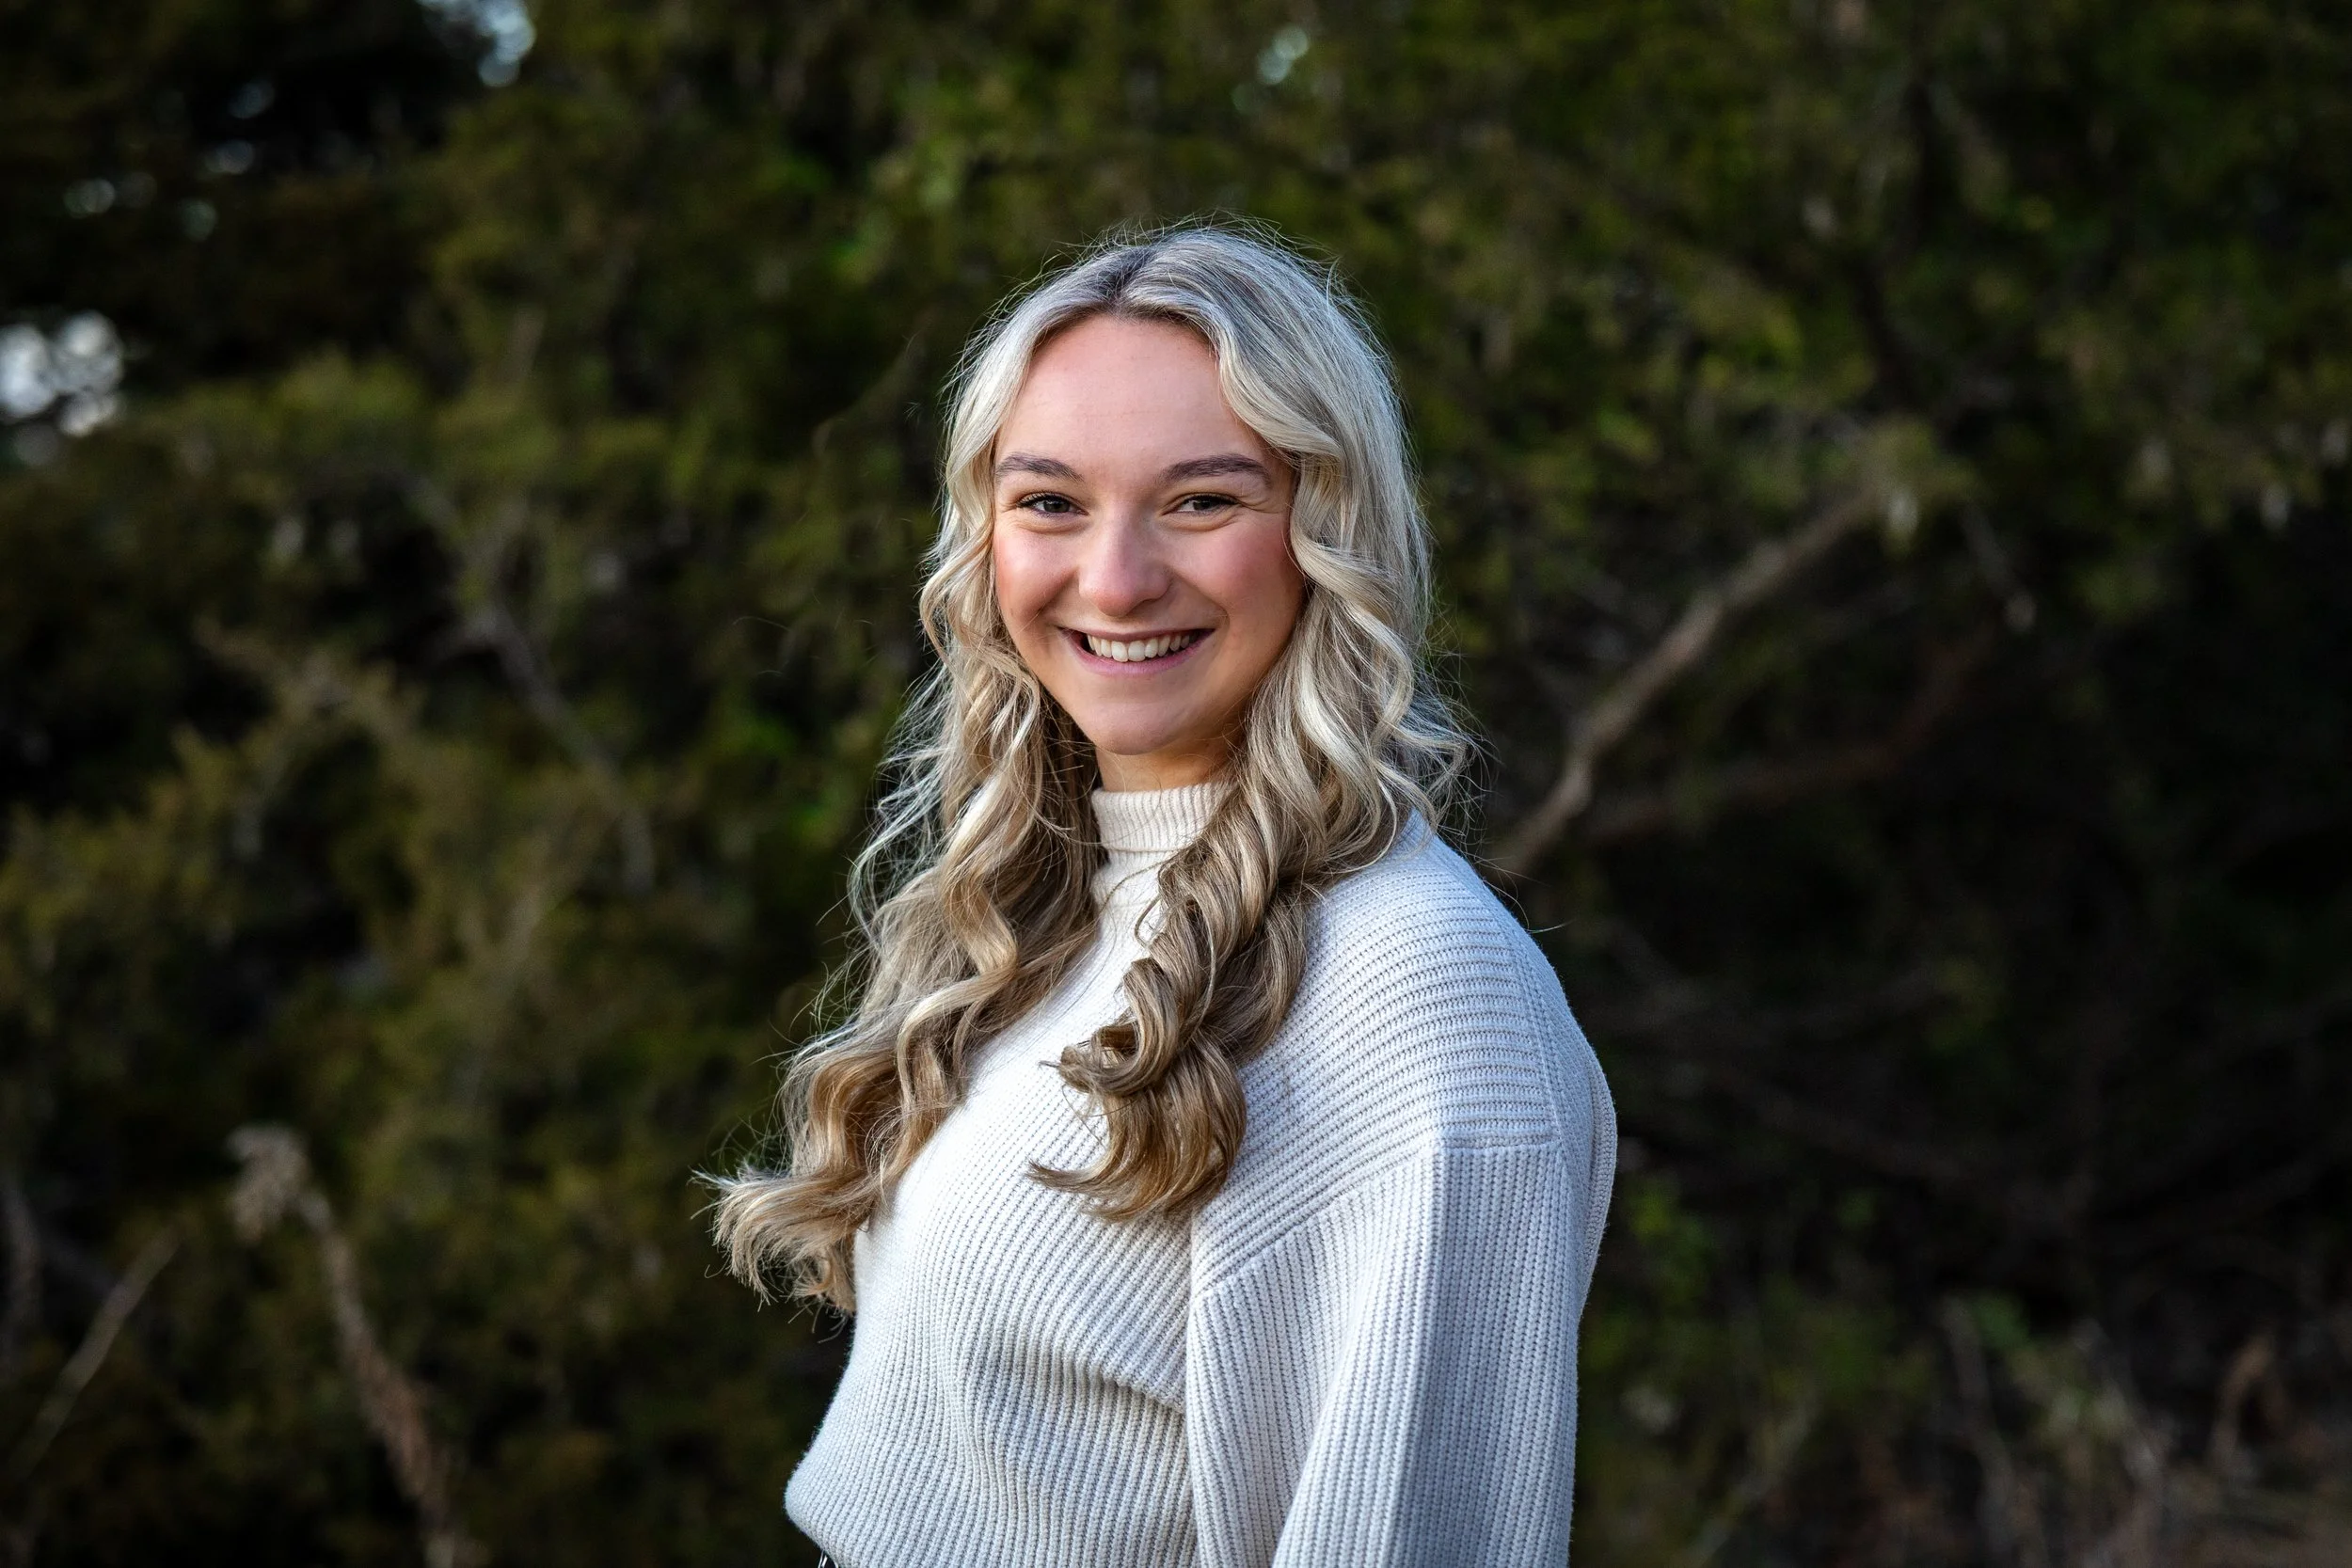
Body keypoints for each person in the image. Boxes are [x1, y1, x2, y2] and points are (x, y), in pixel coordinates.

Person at [711, 223, 1615, 1568]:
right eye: (1052, 502)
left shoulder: (1420, 994)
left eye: (1202, 500)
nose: (1117, 577)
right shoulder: (1050, 907)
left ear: (1326, 528)